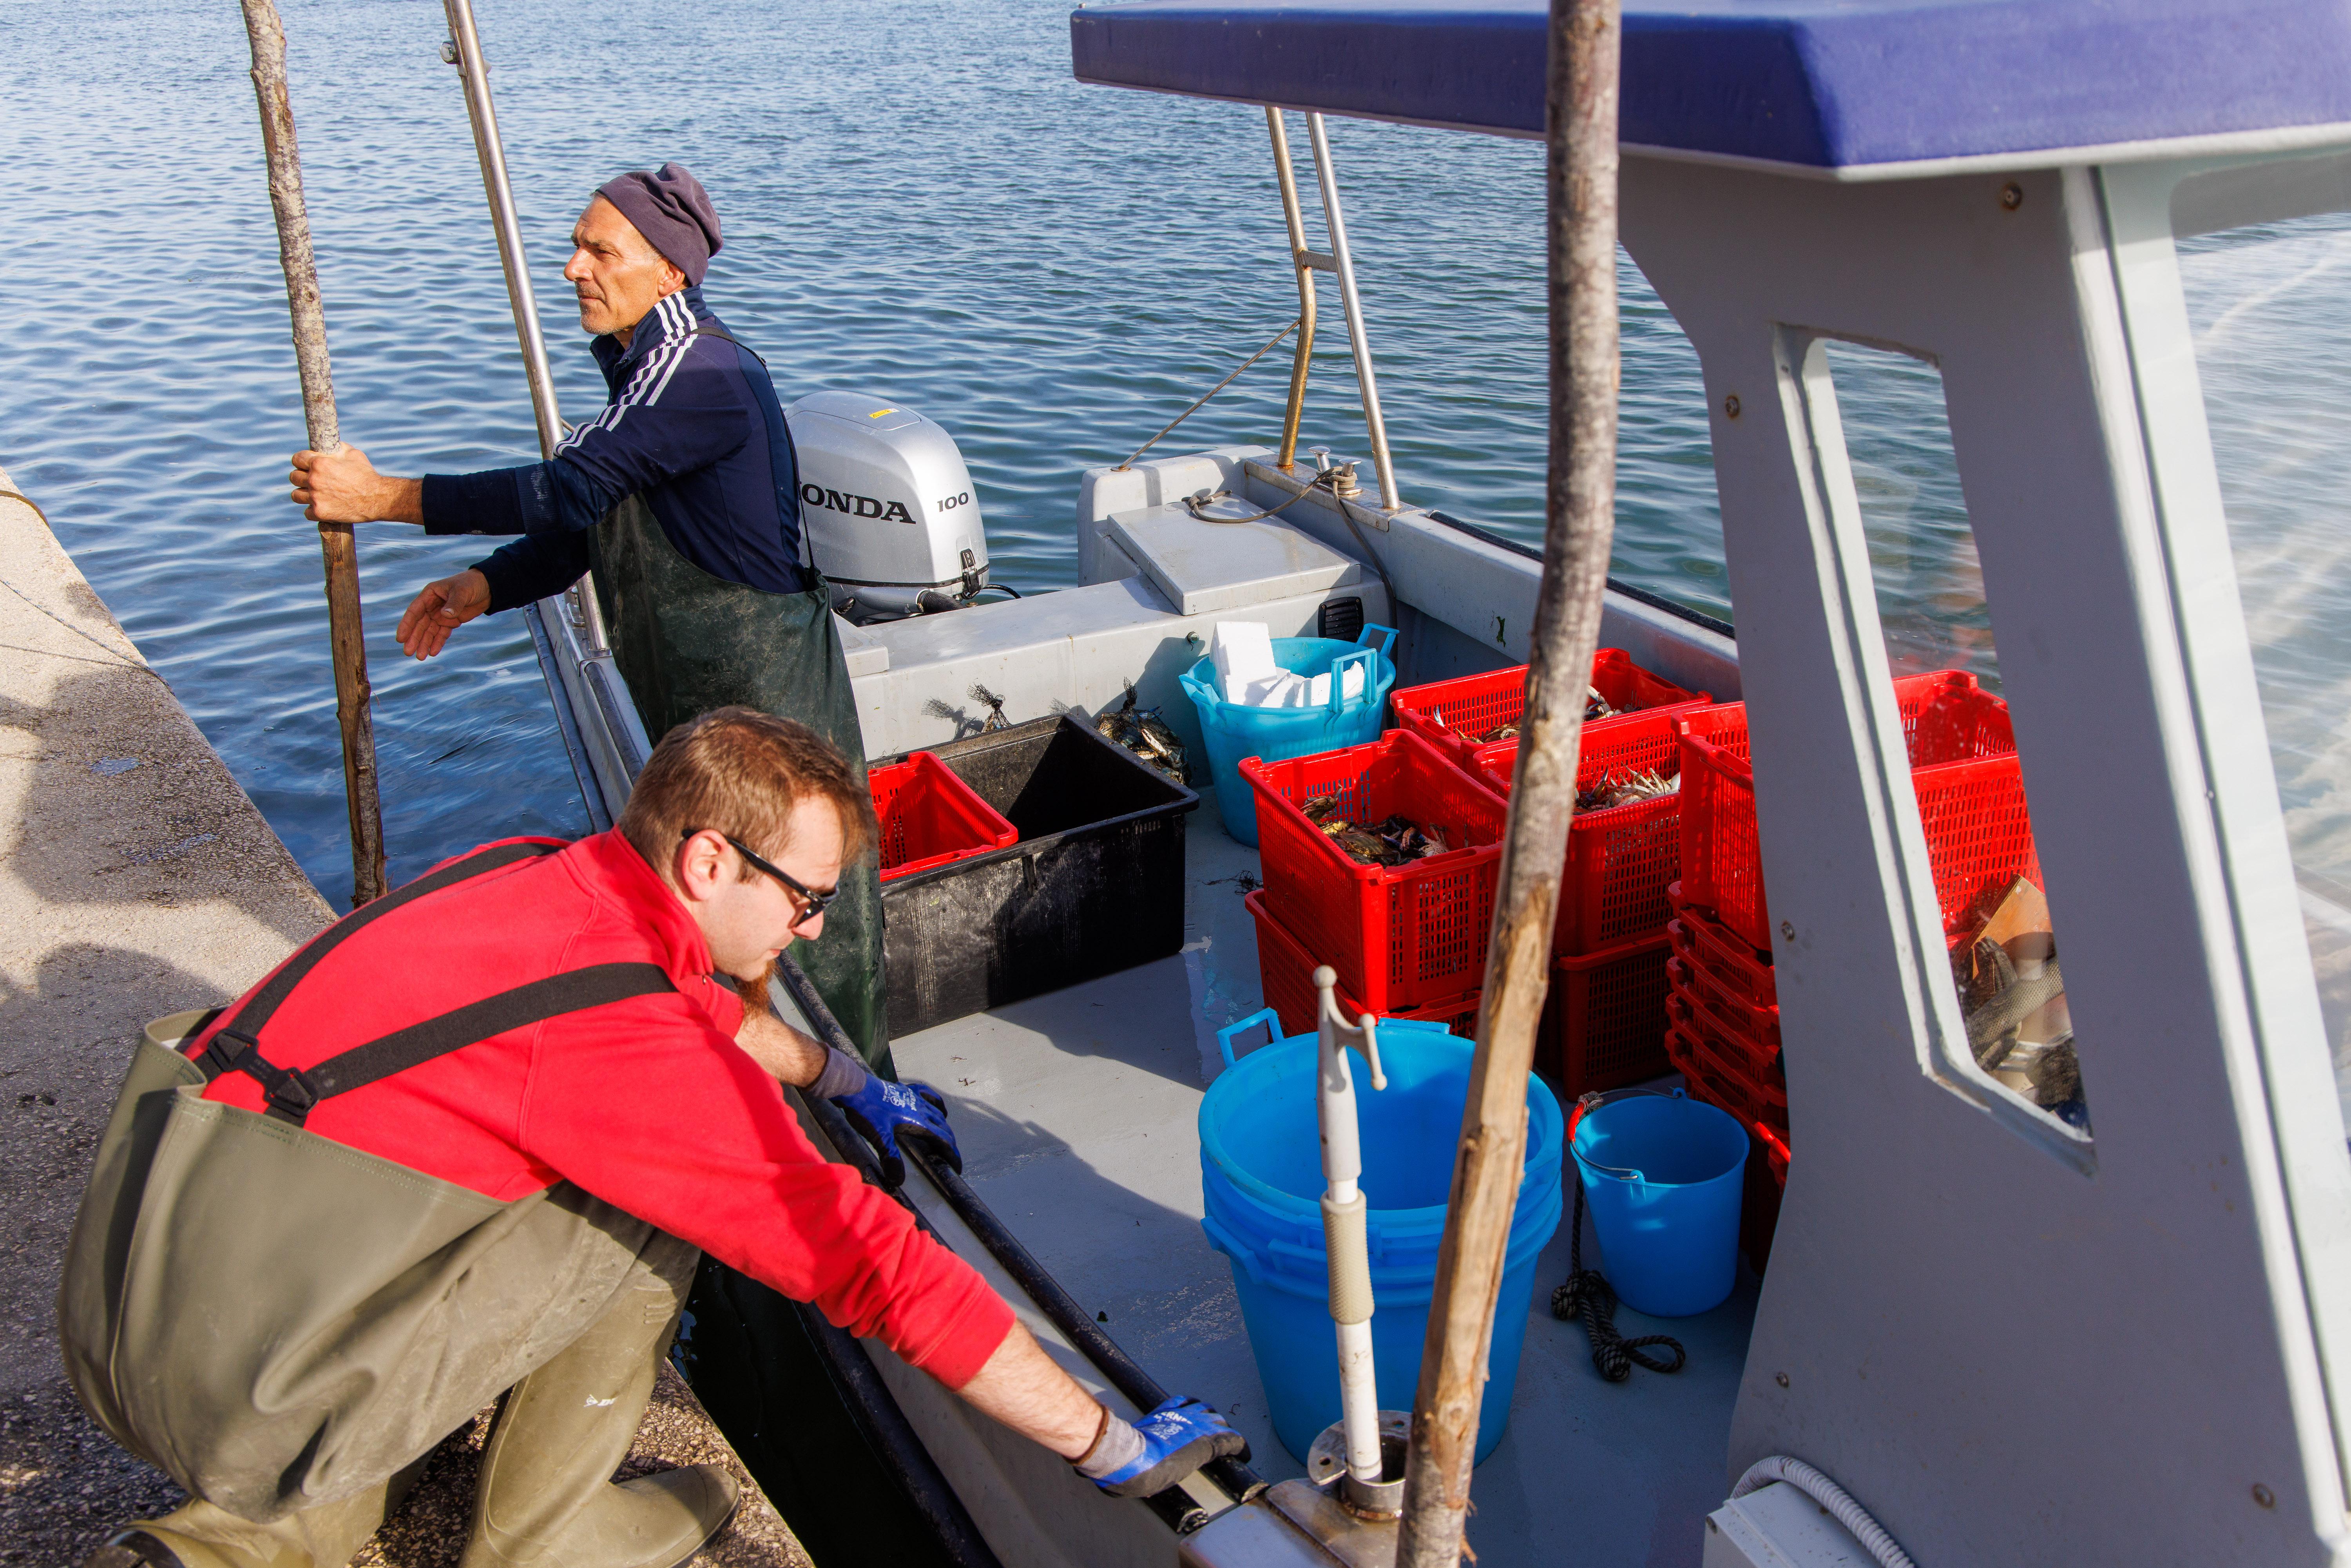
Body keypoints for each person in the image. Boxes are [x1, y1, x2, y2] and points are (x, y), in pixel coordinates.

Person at [67, 708, 1243, 1568]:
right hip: (241, 1380)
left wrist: (838, 1073)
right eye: (807, 898)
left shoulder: (540, 873)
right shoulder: (617, 1041)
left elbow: (699, 1012)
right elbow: (868, 1261)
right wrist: (1107, 1444)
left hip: (149, 1283)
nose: (815, 925)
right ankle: (540, 1536)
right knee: (643, 1202)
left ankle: (238, 1541)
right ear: (709, 858)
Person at [286, 161, 892, 1070]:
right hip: (699, 716)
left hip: (770, 704)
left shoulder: (703, 372)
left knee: (810, 928)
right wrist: (486, 585)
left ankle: (859, 1101)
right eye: (576, 246)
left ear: (670, 274)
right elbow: (595, 523)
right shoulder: (645, 372)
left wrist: (383, 499)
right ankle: (739, 1085)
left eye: (599, 249)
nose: (573, 267)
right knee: (714, 916)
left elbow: (569, 488)